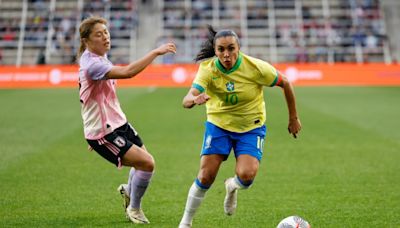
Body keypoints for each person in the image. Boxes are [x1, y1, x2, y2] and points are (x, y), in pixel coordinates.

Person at [178, 26, 301, 228]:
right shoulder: (208, 69)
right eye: (221, 50)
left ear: (238, 48)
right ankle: (185, 223)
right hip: (219, 125)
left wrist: (293, 118)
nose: (226, 54)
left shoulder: (256, 67)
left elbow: (286, 83)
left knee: (246, 175)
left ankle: (232, 187)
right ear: (215, 50)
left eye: (231, 48)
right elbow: (187, 98)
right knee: (205, 176)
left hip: (251, 127)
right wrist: (194, 99)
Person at [76, 16, 176, 224]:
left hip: (119, 124)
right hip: (105, 132)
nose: (105, 37)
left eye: (106, 32)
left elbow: (90, 99)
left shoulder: (99, 58)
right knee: (148, 163)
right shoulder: (92, 65)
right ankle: (134, 209)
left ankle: (128, 191)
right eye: (99, 34)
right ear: (86, 40)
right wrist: (155, 52)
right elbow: (128, 72)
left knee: (143, 162)